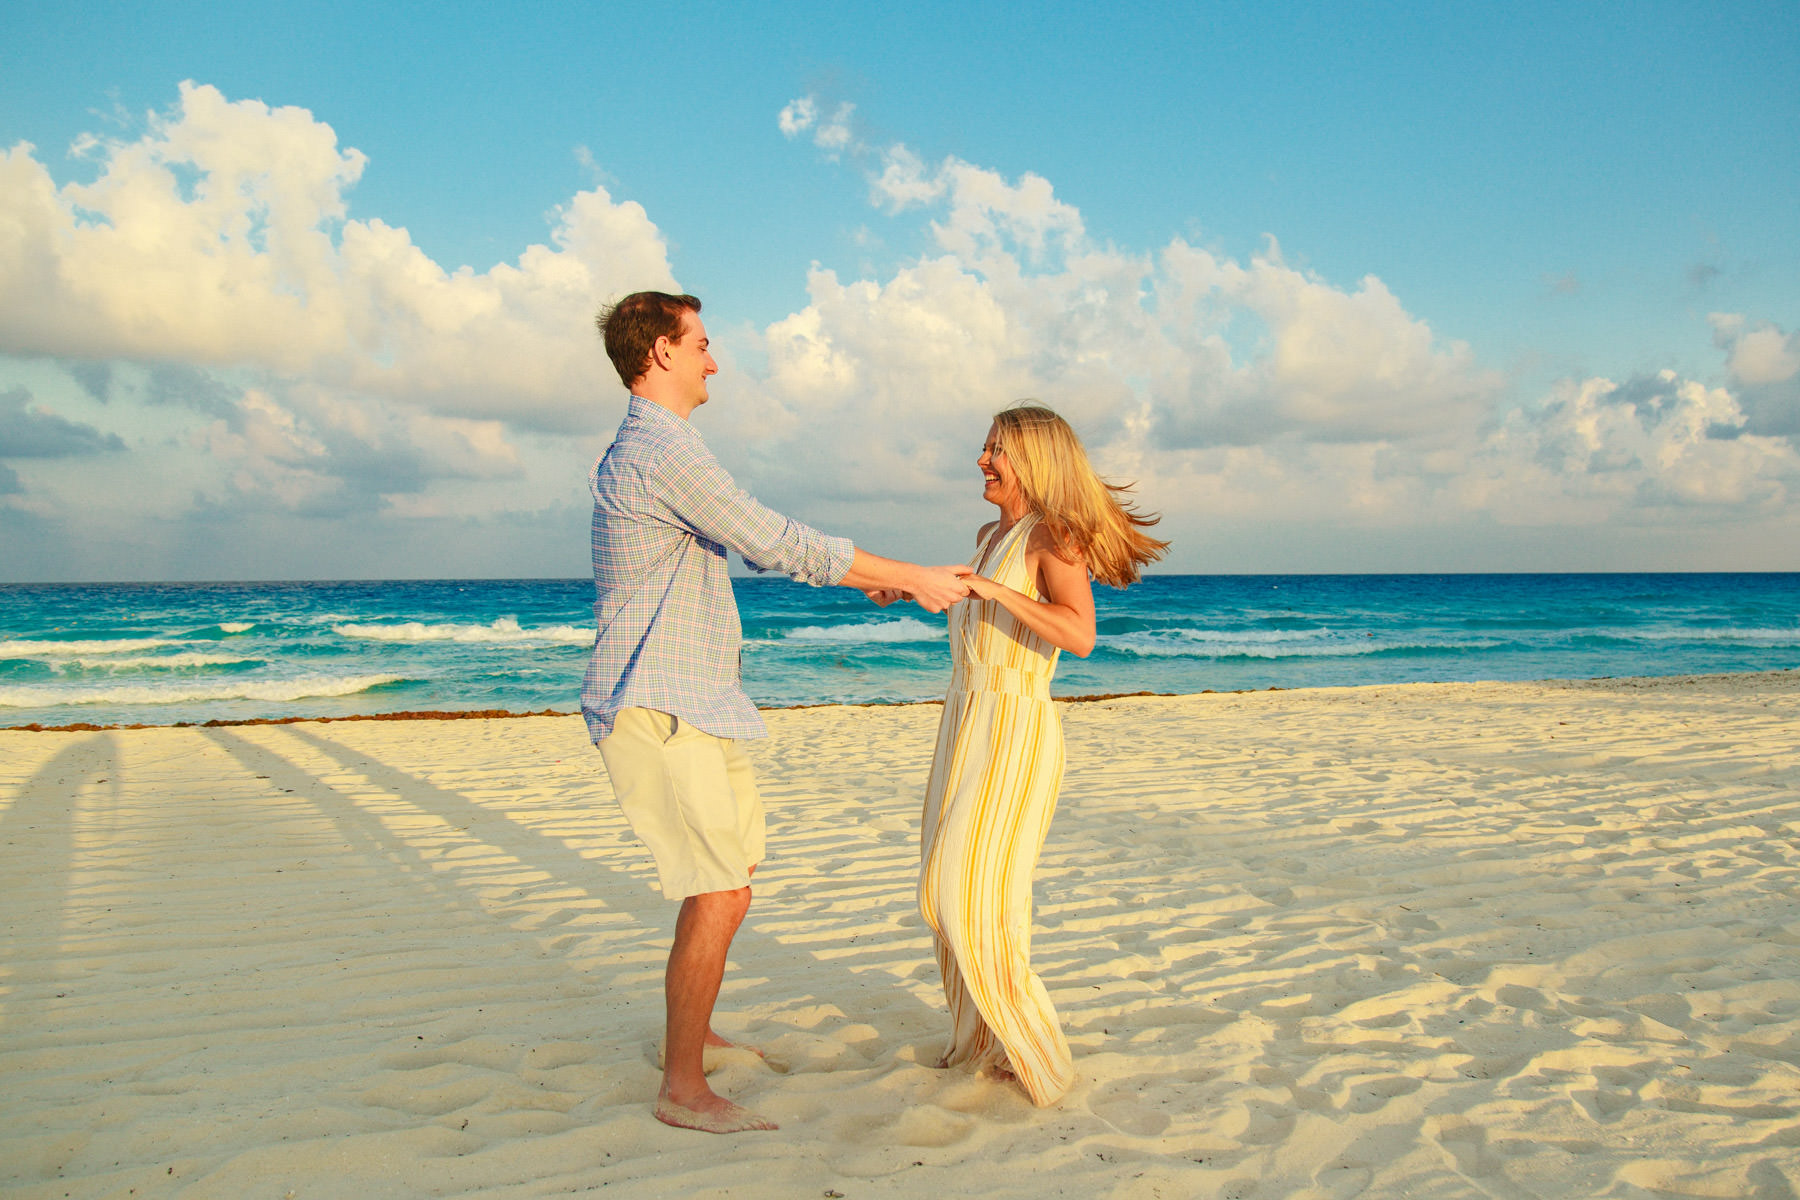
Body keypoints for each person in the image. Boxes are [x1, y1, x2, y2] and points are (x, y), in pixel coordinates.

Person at [582, 291, 968, 1134]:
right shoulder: (659, 448)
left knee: (730, 881)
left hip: (696, 696)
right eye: (704, 344)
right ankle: (682, 1089)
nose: (715, 361)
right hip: (659, 699)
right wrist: (910, 574)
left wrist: (877, 581)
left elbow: (743, 543)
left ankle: (697, 1036)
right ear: (659, 352)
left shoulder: (667, 448)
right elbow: (772, 536)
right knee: (716, 888)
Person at [907, 403, 1166, 1106]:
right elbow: (980, 624)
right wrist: (910, 589)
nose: (984, 461)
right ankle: (983, 1041)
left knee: (973, 894)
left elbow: (1079, 634)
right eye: (986, 447)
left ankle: (1040, 1059)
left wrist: (991, 589)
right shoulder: (991, 532)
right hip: (962, 722)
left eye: (998, 451)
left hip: (1015, 728)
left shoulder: (1054, 536)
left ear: (1035, 461)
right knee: (942, 892)